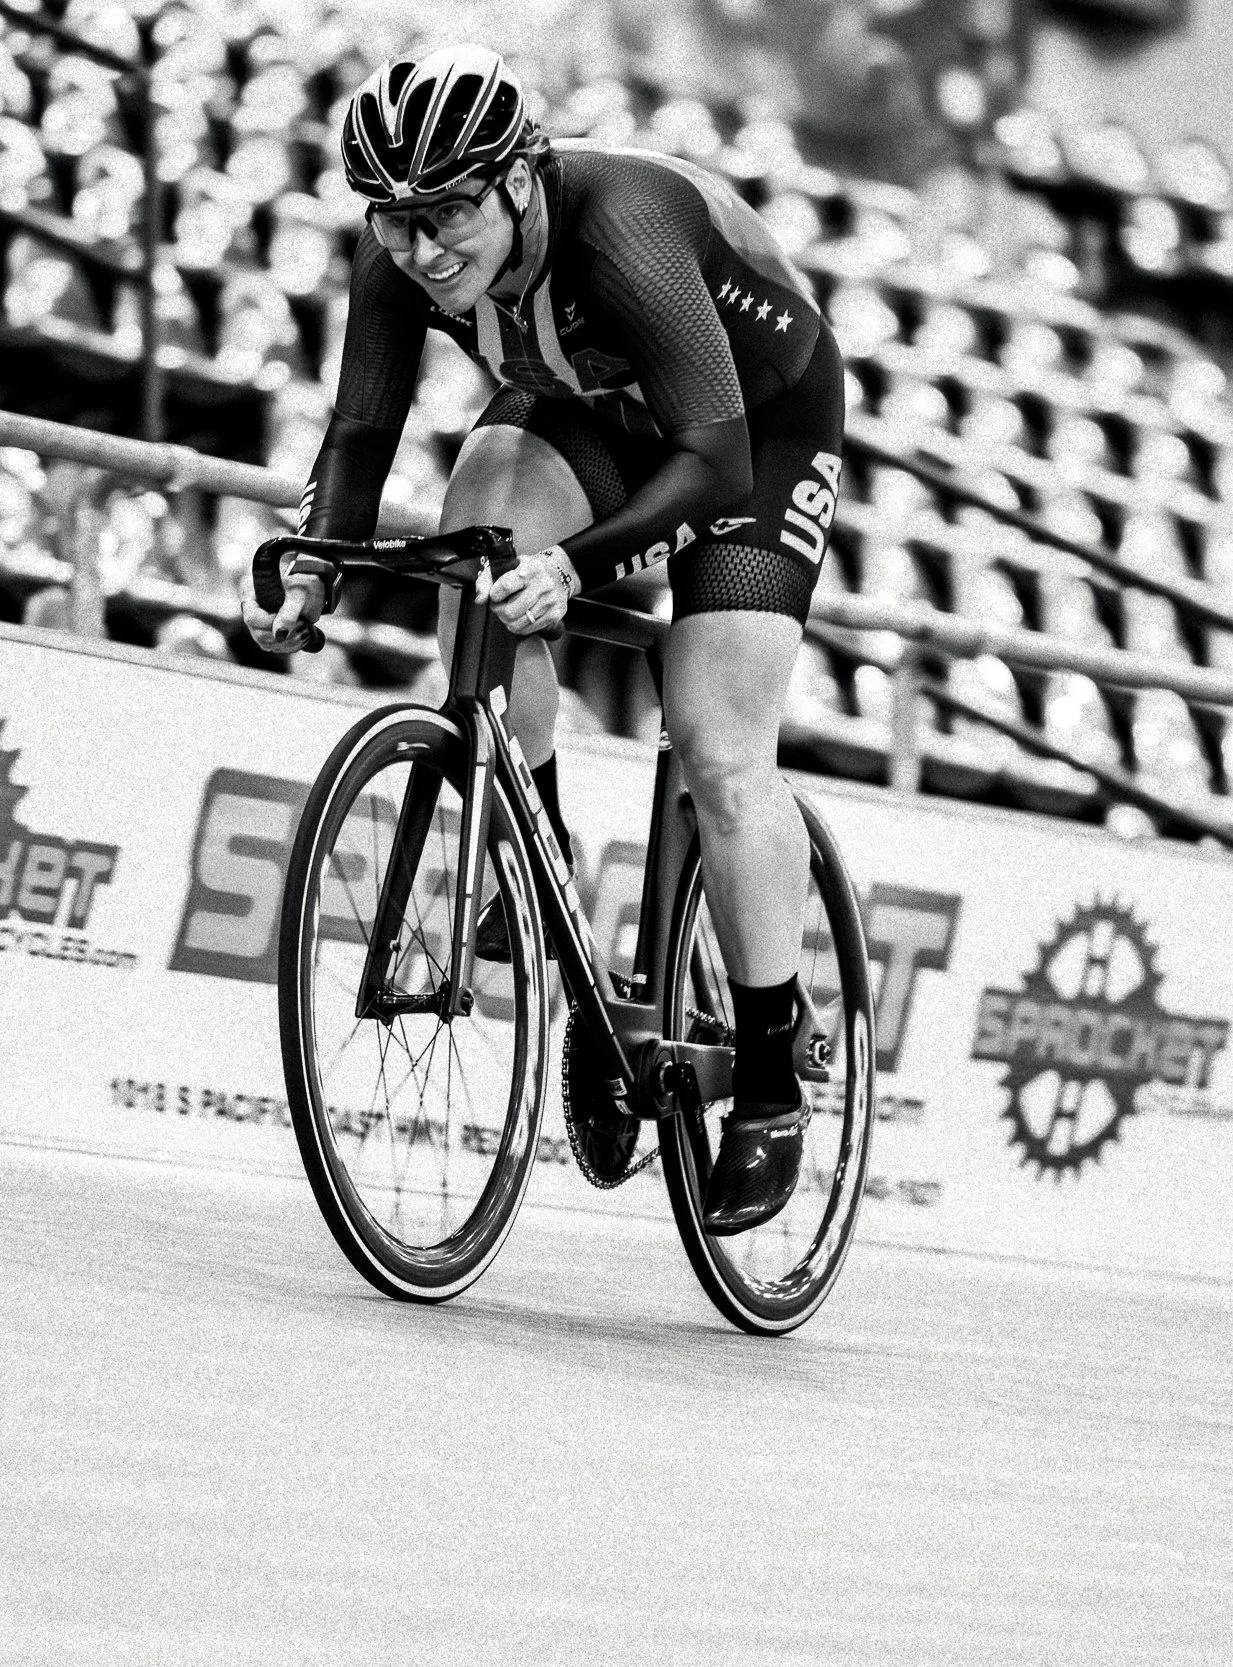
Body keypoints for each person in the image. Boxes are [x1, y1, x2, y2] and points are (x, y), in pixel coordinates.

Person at [244, 44, 842, 1235]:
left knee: (719, 740)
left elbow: (712, 460)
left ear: (518, 178)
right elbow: (363, 429)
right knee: (477, 526)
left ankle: (772, 1074)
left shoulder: (621, 228)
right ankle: (537, 870)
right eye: (396, 221)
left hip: (752, 430)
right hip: (594, 408)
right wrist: (316, 561)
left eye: (448, 213)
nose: (422, 248)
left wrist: (573, 565)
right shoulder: (404, 249)